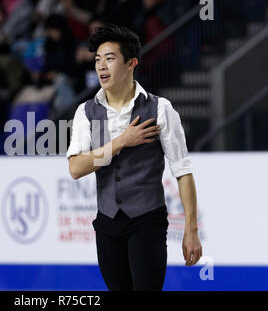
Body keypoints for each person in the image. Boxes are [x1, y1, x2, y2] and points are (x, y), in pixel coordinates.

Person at [66, 23, 202, 291]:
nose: (101, 66)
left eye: (110, 58)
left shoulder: (160, 109)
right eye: (97, 60)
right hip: (106, 223)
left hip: (147, 220)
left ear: (131, 64)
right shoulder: (86, 111)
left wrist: (191, 229)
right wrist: (121, 142)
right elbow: (76, 168)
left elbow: (183, 171)